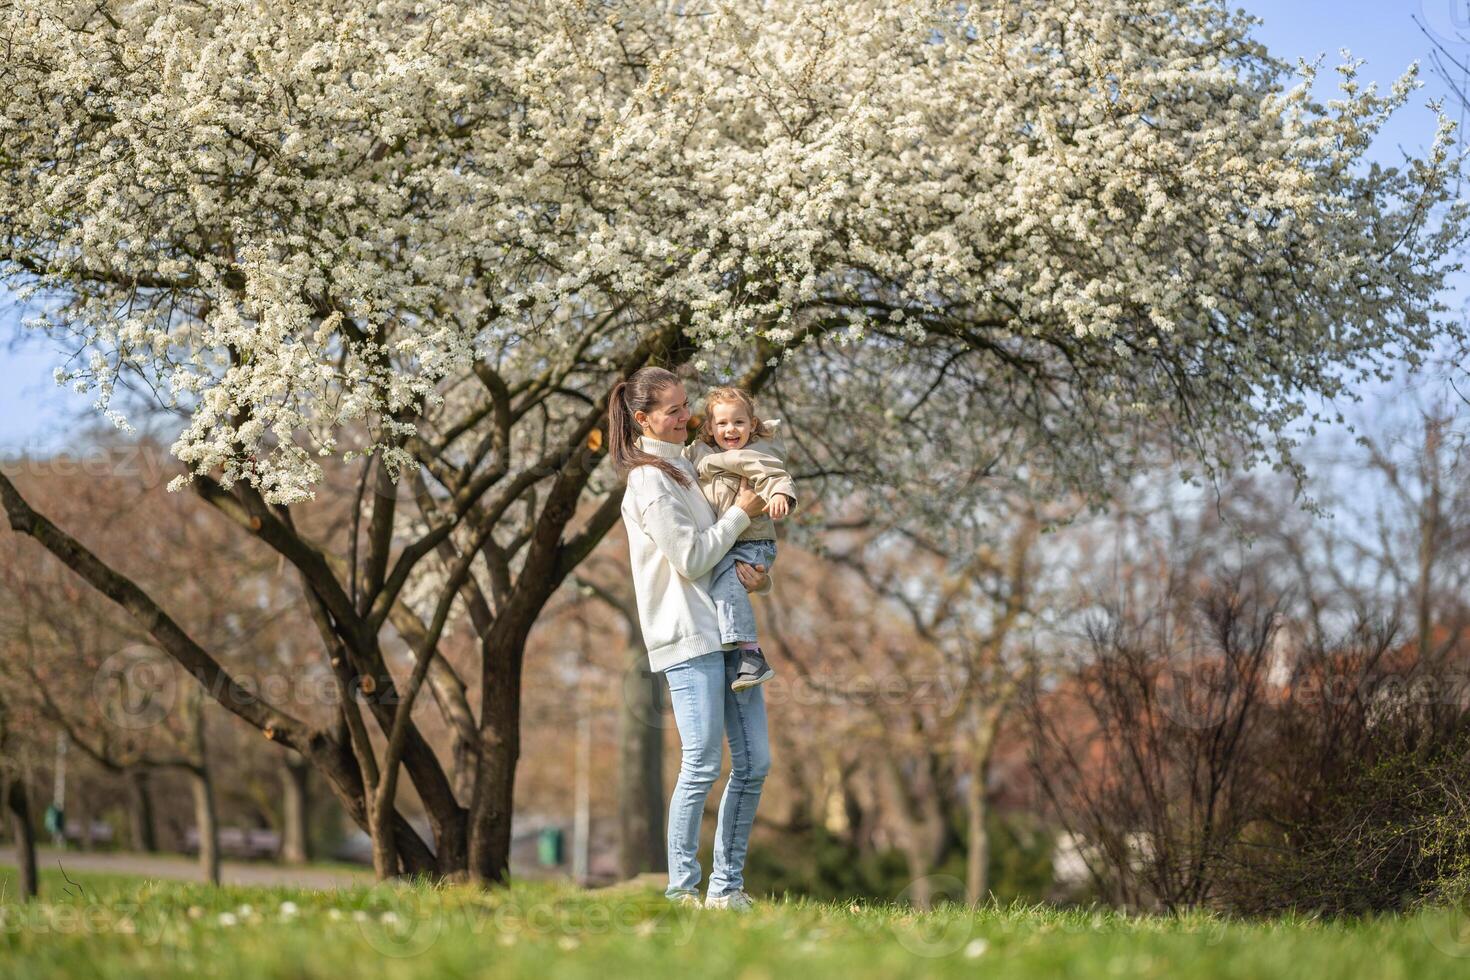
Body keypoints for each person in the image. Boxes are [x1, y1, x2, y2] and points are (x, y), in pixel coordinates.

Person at [609, 365, 772, 912]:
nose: (688, 416)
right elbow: (691, 556)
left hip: (730, 634)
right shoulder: (648, 481)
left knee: (755, 763)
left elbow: (722, 559)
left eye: (686, 406)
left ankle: (726, 890)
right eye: (674, 409)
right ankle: (682, 891)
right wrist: (741, 515)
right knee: (702, 762)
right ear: (643, 419)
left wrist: (759, 576)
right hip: (687, 637)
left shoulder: (689, 469)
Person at [683, 386, 797, 691]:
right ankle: (739, 653)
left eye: (738, 422)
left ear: (752, 424)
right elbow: (677, 461)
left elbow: (776, 475)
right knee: (723, 588)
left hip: (753, 543)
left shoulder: (758, 453)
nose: (730, 430)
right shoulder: (701, 453)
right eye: (721, 423)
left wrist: (779, 495)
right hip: (729, 542)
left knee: (726, 586)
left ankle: (751, 655)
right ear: (710, 427)